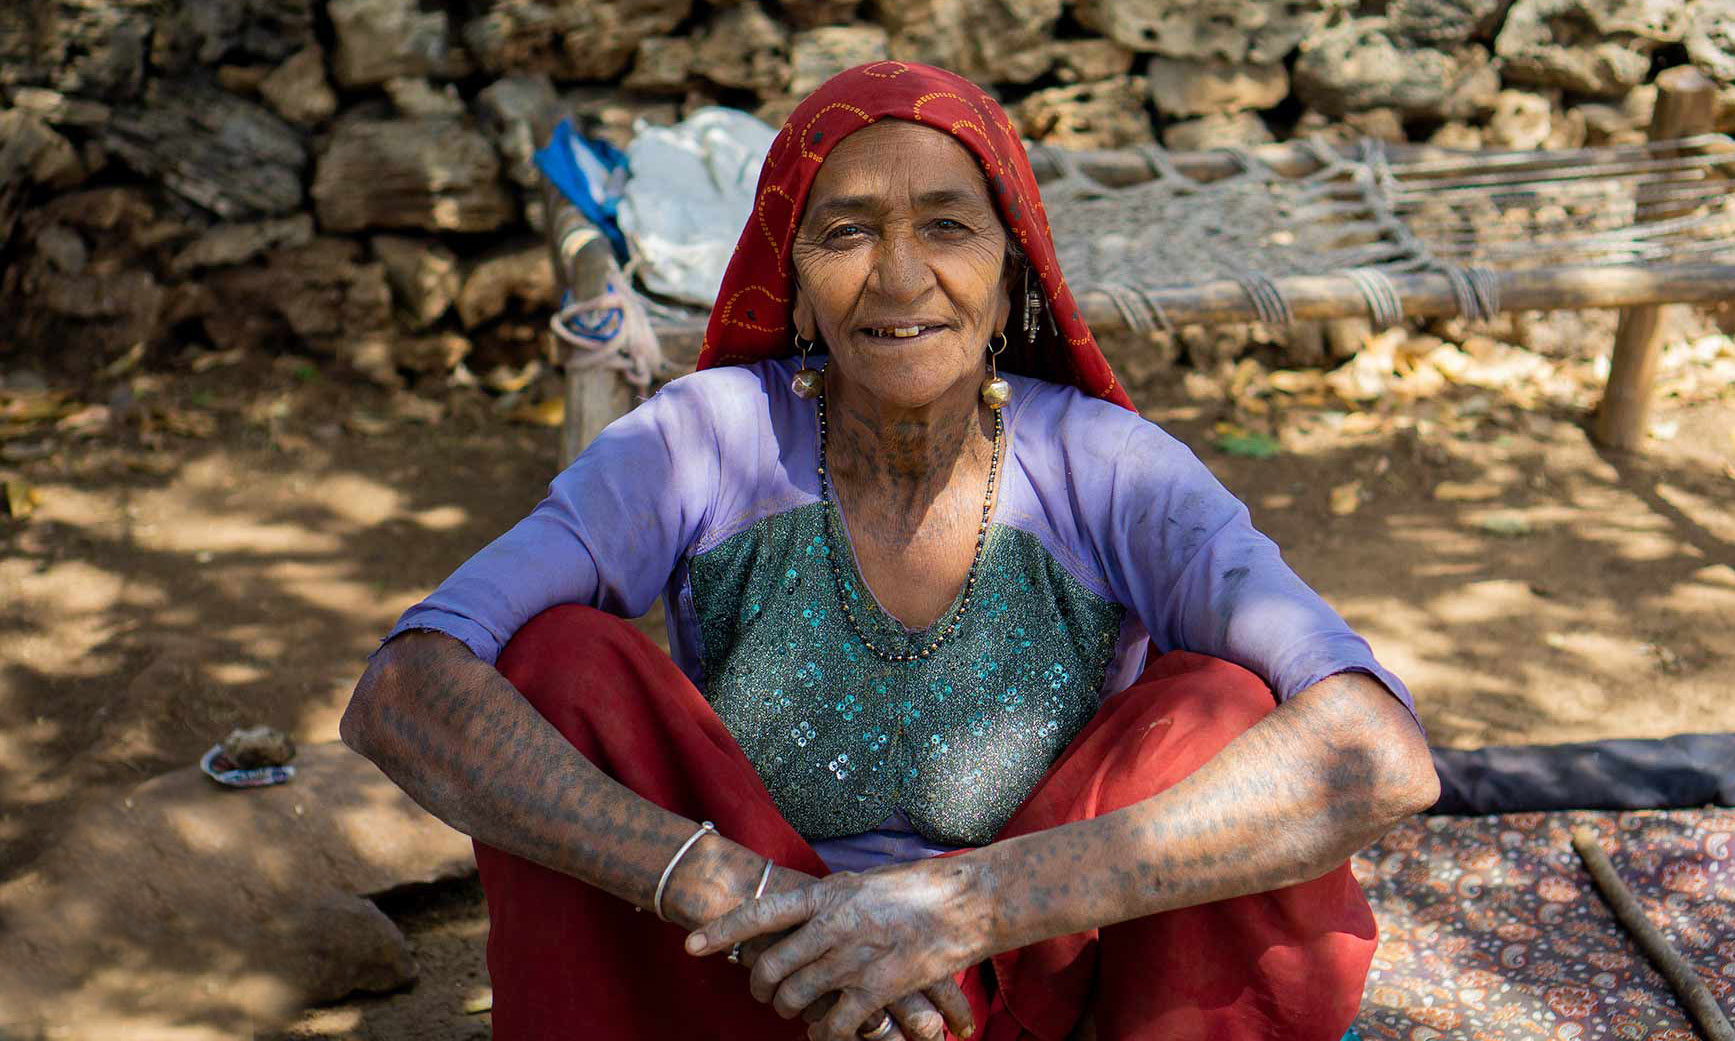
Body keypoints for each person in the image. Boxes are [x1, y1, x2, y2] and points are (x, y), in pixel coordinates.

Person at [341, 61, 1439, 1041]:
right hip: (744, 987)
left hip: (1016, 998)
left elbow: (1376, 753)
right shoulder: (703, 440)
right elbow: (406, 692)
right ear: (799, 287)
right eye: (848, 231)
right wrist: (735, 896)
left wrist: (971, 908)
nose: (900, 276)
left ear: (1012, 281)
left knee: (1216, 710)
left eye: (948, 228)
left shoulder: (1112, 469)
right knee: (559, 665)